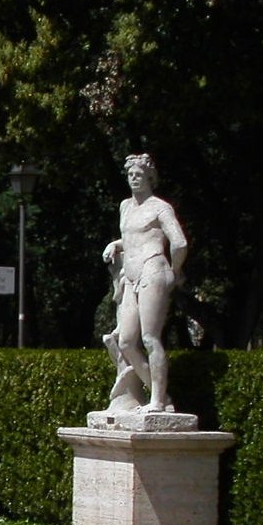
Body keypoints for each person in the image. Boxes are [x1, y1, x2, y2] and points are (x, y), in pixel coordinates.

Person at [101, 153, 188, 413]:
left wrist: (174, 271)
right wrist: (114, 244)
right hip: (130, 276)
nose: (134, 178)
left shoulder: (160, 207)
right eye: (130, 175)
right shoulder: (125, 206)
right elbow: (131, 238)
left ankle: (158, 401)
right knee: (126, 342)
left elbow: (180, 242)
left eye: (139, 174)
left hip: (153, 269)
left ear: (150, 177)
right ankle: (161, 396)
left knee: (150, 337)